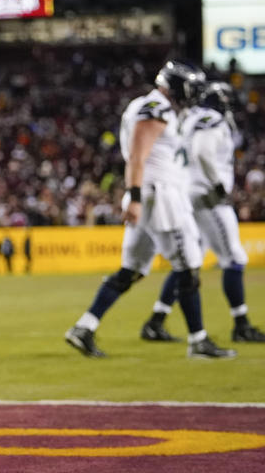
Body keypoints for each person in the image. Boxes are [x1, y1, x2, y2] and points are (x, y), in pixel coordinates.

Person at [65, 60, 235, 359]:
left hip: (151, 195)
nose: (193, 95)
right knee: (188, 267)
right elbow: (137, 156)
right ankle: (198, 340)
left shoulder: (154, 106)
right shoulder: (155, 108)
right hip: (159, 197)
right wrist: (134, 197)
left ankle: (84, 327)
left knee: (131, 270)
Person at [140, 81, 265, 344]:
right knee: (234, 257)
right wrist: (217, 184)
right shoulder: (212, 119)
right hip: (206, 197)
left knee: (189, 261)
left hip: (186, 193)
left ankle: (156, 319)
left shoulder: (188, 118)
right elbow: (202, 152)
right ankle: (241, 324)